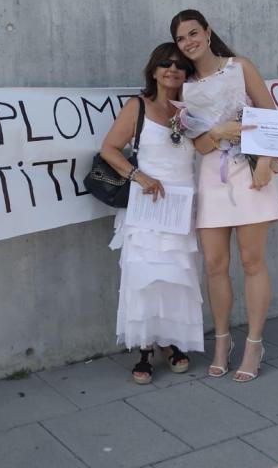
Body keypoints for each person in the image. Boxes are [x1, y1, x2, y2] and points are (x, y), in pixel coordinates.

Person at [170, 10, 278, 382]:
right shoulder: (182, 87)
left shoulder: (240, 67)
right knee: (215, 265)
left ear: (208, 31)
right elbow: (201, 146)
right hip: (212, 176)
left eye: (193, 33)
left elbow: (272, 115)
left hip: (251, 172)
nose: (189, 42)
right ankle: (222, 342)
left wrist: (266, 160)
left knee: (252, 262)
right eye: (181, 38)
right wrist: (218, 131)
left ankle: (254, 343)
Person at [100, 43, 204, 384]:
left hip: (180, 205)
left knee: (176, 276)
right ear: (154, 69)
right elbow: (109, 149)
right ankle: (145, 347)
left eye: (179, 65)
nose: (172, 69)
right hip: (146, 206)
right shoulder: (137, 106)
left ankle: (171, 340)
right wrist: (138, 176)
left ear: (187, 72)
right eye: (165, 64)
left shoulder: (193, 108)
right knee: (144, 277)